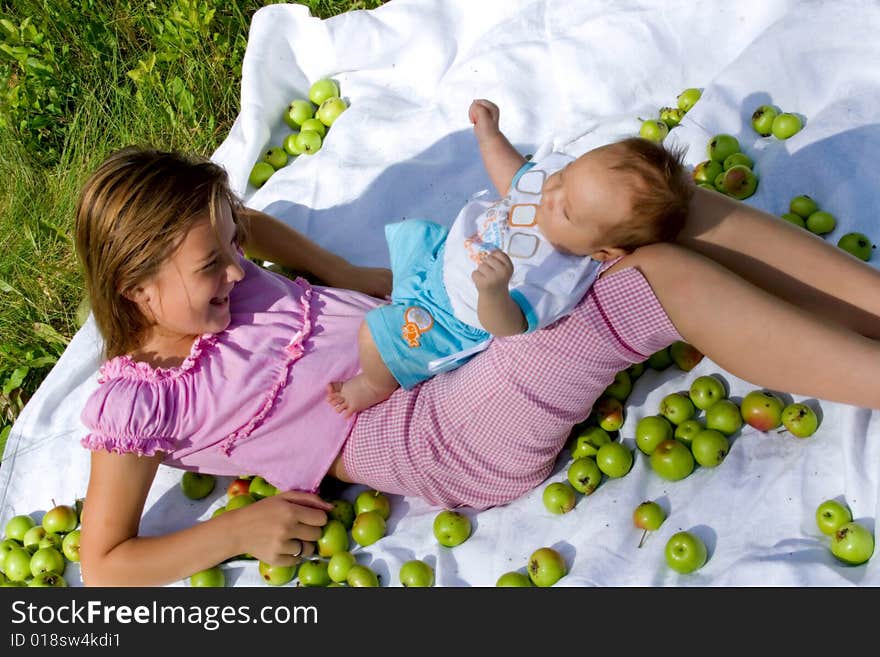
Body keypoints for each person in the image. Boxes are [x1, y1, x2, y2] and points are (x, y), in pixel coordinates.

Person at [74, 136, 880, 588]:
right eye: (212, 265)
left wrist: (351, 278)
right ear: (135, 290)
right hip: (433, 431)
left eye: (228, 249)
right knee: (647, 282)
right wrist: (238, 530)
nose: (236, 268)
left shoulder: (217, 259)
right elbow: (103, 563)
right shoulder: (140, 399)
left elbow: (254, 224)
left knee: (645, 195)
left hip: (434, 337)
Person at [326, 99, 692, 417]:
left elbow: (509, 325)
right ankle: (403, 291)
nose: (550, 194)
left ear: (603, 252)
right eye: (563, 176)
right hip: (441, 260)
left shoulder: (555, 276)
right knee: (410, 232)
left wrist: (494, 293)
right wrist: (490, 135)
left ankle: (375, 384)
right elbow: (517, 181)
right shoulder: (563, 191)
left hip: (453, 316)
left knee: (375, 335)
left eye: (565, 210)